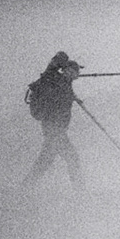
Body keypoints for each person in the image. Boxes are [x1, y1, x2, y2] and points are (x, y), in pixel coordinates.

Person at [23, 51, 82, 188]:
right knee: (72, 158)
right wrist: (62, 62)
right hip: (53, 128)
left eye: (76, 74)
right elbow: (52, 67)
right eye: (74, 72)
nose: (75, 76)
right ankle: (81, 191)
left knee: (45, 160)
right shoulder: (53, 79)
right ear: (66, 70)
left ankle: (26, 187)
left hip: (54, 128)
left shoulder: (64, 84)